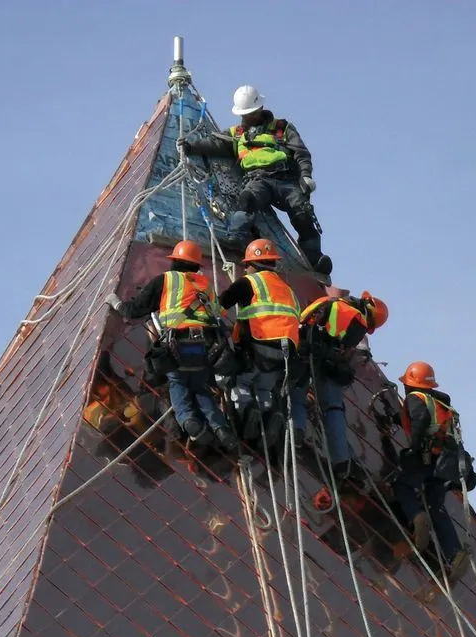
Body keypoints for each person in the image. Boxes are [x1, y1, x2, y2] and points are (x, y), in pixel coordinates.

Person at [179, 85, 333, 276]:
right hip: (258, 179)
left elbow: (301, 153)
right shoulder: (237, 134)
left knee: (302, 213)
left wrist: (305, 176)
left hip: (285, 180)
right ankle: (237, 237)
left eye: (251, 113)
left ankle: (314, 258)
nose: (247, 117)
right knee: (246, 200)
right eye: (245, 114)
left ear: (260, 109)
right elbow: (216, 143)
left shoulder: (281, 128)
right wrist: (191, 147)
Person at [105, 240, 239, 453]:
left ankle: (189, 422)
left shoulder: (165, 281)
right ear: (196, 265)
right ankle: (221, 429)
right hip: (206, 350)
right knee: (200, 387)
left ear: (175, 261)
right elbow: (219, 314)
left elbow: (135, 310)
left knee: (178, 384)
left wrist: (116, 303)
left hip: (179, 346)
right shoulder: (205, 285)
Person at [290, 291, 389, 485]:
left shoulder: (327, 301)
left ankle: (296, 431)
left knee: (296, 394)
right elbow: (342, 351)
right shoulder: (357, 321)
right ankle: (342, 461)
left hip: (299, 347)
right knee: (333, 409)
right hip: (321, 358)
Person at [392, 361, 472, 582]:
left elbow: (420, 421)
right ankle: (454, 554)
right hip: (445, 463)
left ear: (410, 383)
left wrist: (413, 449)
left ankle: (417, 518)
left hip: (427, 458)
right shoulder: (441, 404)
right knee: (436, 504)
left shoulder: (415, 399)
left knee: (403, 486)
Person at [218, 238, 301, 449]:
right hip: (282, 355)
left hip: (256, 349)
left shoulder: (249, 283)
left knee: (241, 384)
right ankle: (266, 413)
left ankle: (246, 412)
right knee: (264, 389)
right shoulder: (288, 291)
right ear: (272, 263)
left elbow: (220, 305)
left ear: (251, 264)